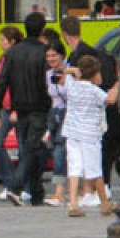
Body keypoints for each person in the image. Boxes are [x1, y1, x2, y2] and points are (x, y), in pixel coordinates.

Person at [0, 12, 52, 206]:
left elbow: (2, 82)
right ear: (42, 29)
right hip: (40, 106)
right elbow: (47, 81)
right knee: (30, 148)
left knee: (29, 148)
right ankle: (16, 187)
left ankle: (36, 192)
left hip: (19, 107)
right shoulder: (44, 51)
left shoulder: (12, 52)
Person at [62, 55, 119, 217]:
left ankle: (73, 203)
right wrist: (116, 85)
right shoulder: (95, 91)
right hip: (90, 134)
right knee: (94, 170)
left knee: (74, 168)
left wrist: (74, 71)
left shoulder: (72, 85)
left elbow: (63, 73)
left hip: (72, 132)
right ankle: (105, 203)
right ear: (95, 74)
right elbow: (111, 100)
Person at [0, 26, 23, 196]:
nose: (0, 43)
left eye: (3, 40)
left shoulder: (19, 58)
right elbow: (0, 85)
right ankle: (10, 182)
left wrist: (16, 107)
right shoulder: (2, 58)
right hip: (3, 107)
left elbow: (19, 85)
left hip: (18, 107)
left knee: (24, 147)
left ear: (13, 41)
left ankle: (22, 186)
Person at [44, 41, 70, 206]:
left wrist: (65, 79)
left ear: (62, 55)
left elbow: (71, 94)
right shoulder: (49, 74)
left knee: (60, 149)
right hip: (54, 113)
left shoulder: (70, 71)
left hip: (67, 112)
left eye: (54, 55)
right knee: (54, 147)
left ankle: (59, 192)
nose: (51, 59)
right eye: (48, 56)